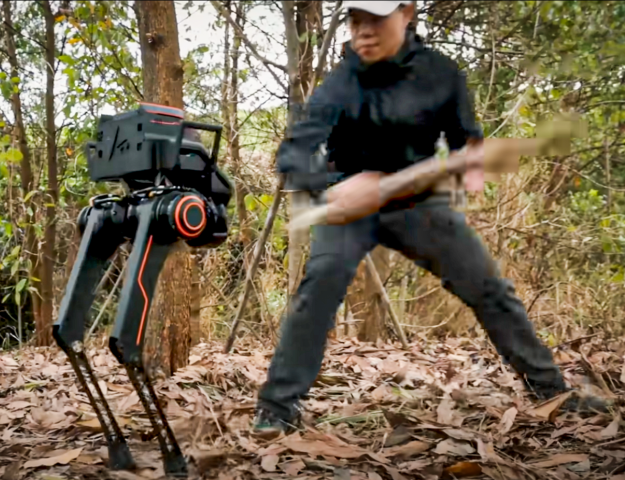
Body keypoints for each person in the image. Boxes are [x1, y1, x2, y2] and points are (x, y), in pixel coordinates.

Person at [253, 0, 609, 434]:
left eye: (375, 20)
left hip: (417, 203)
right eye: (355, 20)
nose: (363, 31)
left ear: (407, 13)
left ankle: (552, 392)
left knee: (489, 287)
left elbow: (467, 141)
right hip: (348, 205)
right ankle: (276, 408)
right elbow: (292, 154)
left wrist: (470, 167)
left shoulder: (442, 74)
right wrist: (327, 186)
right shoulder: (338, 84)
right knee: (319, 286)